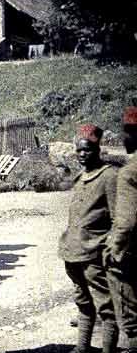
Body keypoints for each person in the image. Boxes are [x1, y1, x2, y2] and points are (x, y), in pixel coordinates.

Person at [59, 124, 118, 353]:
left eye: (88, 150)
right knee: (82, 302)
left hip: (95, 253)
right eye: (79, 150)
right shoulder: (81, 177)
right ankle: (82, 347)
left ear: (98, 149)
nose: (83, 155)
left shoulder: (109, 176)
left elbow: (117, 218)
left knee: (106, 305)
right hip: (72, 252)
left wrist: (109, 249)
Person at [105, 107, 137, 351]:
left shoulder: (128, 173)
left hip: (133, 251)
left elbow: (126, 222)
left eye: (126, 132)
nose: (122, 138)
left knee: (131, 315)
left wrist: (114, 248)